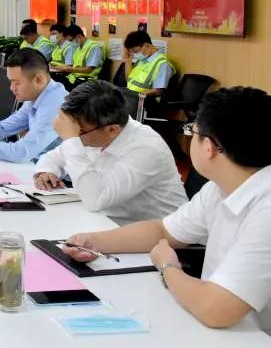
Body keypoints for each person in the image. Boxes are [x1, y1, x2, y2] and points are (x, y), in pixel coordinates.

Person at [62, 87, 271, 332]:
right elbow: (163, 230)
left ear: (209, 147)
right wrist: (95, 241)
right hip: (221, 328)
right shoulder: (219, 187)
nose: (189, 138)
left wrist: (168, 266)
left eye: (192, 132)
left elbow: (216, 309)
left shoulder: (265, 209)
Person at [34, 81, 187, 224]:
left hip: (157, 236)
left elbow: (96, 200)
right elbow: (55, 156)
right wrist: (47, 172)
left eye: (79, 132)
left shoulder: (146, 148)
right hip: (106, 222)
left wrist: (71, 139)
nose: (75, 137)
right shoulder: (97, 128)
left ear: (112, 130)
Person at [123, 31, 175, 98]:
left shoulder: (162, 64)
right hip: (131, 98)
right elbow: (129, 82)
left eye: (135, 51)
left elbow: (158, 91)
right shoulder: (141, 60)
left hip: (146, 101)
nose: (134, 54)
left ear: (147, 45)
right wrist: (128, 62)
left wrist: (137, 95)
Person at [51, 24, 103, 89]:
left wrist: (70, 69)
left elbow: (88, 70)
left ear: (78, 36)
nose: (70, 43)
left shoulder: (94, 48)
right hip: (74, 78)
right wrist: (60, 67)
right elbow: (75, 65)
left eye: (71, 40)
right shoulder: (78, 48)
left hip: (86, 81)